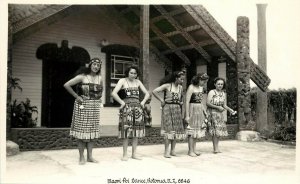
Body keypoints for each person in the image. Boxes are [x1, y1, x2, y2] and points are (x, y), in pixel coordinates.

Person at [64, 58, 103, 165]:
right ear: (90, 65)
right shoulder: (82, 76)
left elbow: (101, 91)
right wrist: (76, 96)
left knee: (92, 133)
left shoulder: (100, 78)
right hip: (83, 106)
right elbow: (66, 85)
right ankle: (81, 157)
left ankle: (90, 157)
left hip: (94, 107)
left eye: (98, 65)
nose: (96, 67)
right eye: (94, 64)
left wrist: (99, 100)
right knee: (82, 133)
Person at [111, 65, 150, 161]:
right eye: (131, 73)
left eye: (135, 73)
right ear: (127, 73)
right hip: (126, 108)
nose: (133, 75)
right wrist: (122, 103)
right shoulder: (122, 81)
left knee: (136, 132)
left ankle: (134, 154)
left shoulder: (138, 82)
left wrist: (143, 102)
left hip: (137, 108)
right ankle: (125, 154)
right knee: (126, 131)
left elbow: (147, 93)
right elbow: (114, 93)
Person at [152, 71, 186, 158]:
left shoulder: (180, 88)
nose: (182, 81)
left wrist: (180, 102)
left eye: (183, 79)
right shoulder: (168, 85)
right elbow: (154, 91)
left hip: (177, 109)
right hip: (167, 108)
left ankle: (173, 151)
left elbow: (181, 98)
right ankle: (166, 152)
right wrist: (162, 100)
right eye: (181, 79)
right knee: (168, 130)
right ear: (176, 78)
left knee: (175, 130)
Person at [206, 77, 236, 153]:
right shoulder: (212, 92)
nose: (220, 85)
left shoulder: (223, 93)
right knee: (215, 132)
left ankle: (216, 147)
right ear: (215, 84)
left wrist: (230, 110)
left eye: (222, 84)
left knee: (218, 132)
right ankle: (215, 148)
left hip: (219, 114)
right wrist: (217, 107)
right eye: (218, 84)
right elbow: (208, 103)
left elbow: (224, 105)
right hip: (212, 113)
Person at [185, 73, 209, 157]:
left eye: (205, 81)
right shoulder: (191, 87)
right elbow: (187, 101)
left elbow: (200, 101)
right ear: (198, 79)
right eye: (203, 81)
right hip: (192, 109)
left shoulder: (201, 88)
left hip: (199, 109)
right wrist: (187, 115)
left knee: (196, 131)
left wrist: (204, 110)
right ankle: (190, 150)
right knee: (192, 131)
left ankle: (194, 149)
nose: (203, 83)